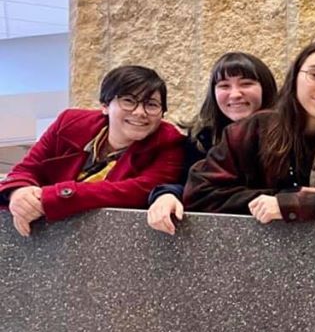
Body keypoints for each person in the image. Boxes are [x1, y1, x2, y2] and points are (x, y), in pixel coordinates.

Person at [183, 41, 315, 223]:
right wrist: (278, 199)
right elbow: (199, 193)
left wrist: (298, 204)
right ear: (295, 76)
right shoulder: (252, 130)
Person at [0, 65, 185, 236]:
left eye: (151, 105)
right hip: (46, 239)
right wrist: (19, 194)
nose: (139, 112)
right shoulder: (69, 123)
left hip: (109, 242)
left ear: (162, 113)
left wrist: (50, 197)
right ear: (105, 106)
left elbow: (135, 192)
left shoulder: (169, 143)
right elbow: (27, 169)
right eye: (128, 101)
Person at [147, 52, 278, 235]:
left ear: (266, 88)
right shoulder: (202, 137)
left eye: (246, 84)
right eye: (224, 85)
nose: (235, 94)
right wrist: (166, 195)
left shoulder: (288, 135)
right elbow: (190, 187)